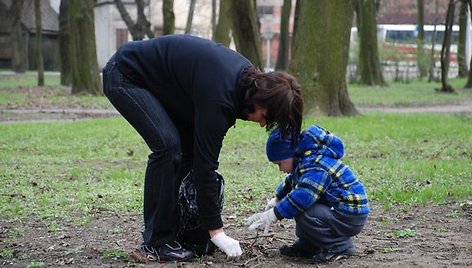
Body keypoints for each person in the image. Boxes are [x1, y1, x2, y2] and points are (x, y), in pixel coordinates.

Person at [101, 34, 303, 262]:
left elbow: (198, 157)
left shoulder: (242, 82)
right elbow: (204, 168)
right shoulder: (221, 98)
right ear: (260, 100)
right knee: (168, 147)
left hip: (169, 86)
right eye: (266, 116)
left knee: (185, 150)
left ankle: (177, 234)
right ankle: (156, 242)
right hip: (126, 75)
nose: (263, 123)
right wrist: (217, 233)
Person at [246, 125, 369, 263]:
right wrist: (277, 198)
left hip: (349, 215)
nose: (280, 169)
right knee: (303, 209)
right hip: (337, 210)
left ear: (290, 154)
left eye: (279, 164)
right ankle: (311, 245)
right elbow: (292, 180)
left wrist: (275, 214)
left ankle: (339, 246)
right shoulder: (305, 160)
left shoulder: (316, 166)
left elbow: (302, 196)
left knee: (305, 211)